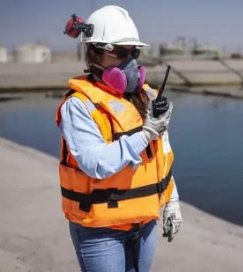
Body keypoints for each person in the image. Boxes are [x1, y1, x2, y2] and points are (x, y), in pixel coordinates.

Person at [56, 5, 182, 272]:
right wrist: (147, 132)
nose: (131, 62)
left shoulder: (146, 97)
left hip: (145, 223)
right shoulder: (79, 105)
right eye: (121, 53)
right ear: (95, 53)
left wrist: (171, 202)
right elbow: (95, 163)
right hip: (101, 231)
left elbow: (162, 156)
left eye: (134, 53)